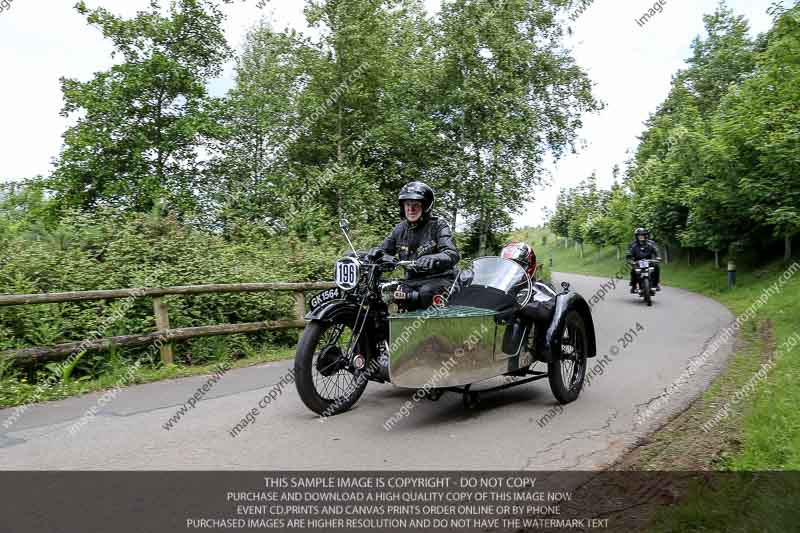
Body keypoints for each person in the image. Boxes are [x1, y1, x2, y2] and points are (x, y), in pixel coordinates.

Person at [374, 181, 461, 311]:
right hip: (412, 281)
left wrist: (435, 258)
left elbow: (452, 253)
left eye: (416, 204)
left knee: (426, 292)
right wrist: (376, 254)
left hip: (441, 279)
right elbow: (383, 250)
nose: (411, 209)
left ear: (425, 206)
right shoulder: (400, 229)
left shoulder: (438, 226)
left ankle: (435, 330)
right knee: (390, 294)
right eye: (407, 204)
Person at [626, 228, 661, 292]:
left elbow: (656, 250)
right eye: (639, 235)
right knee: (633, 270)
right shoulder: (632, 244)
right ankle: (633, 285)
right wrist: (630, 260)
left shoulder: (651, 243)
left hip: (649, 260)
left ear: (646, 235)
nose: (641, 237)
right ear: (636, 236)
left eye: (643, 235)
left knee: (656, 267)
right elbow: (628, 254)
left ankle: (656, 284)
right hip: (637, 261)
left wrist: (658, 257)